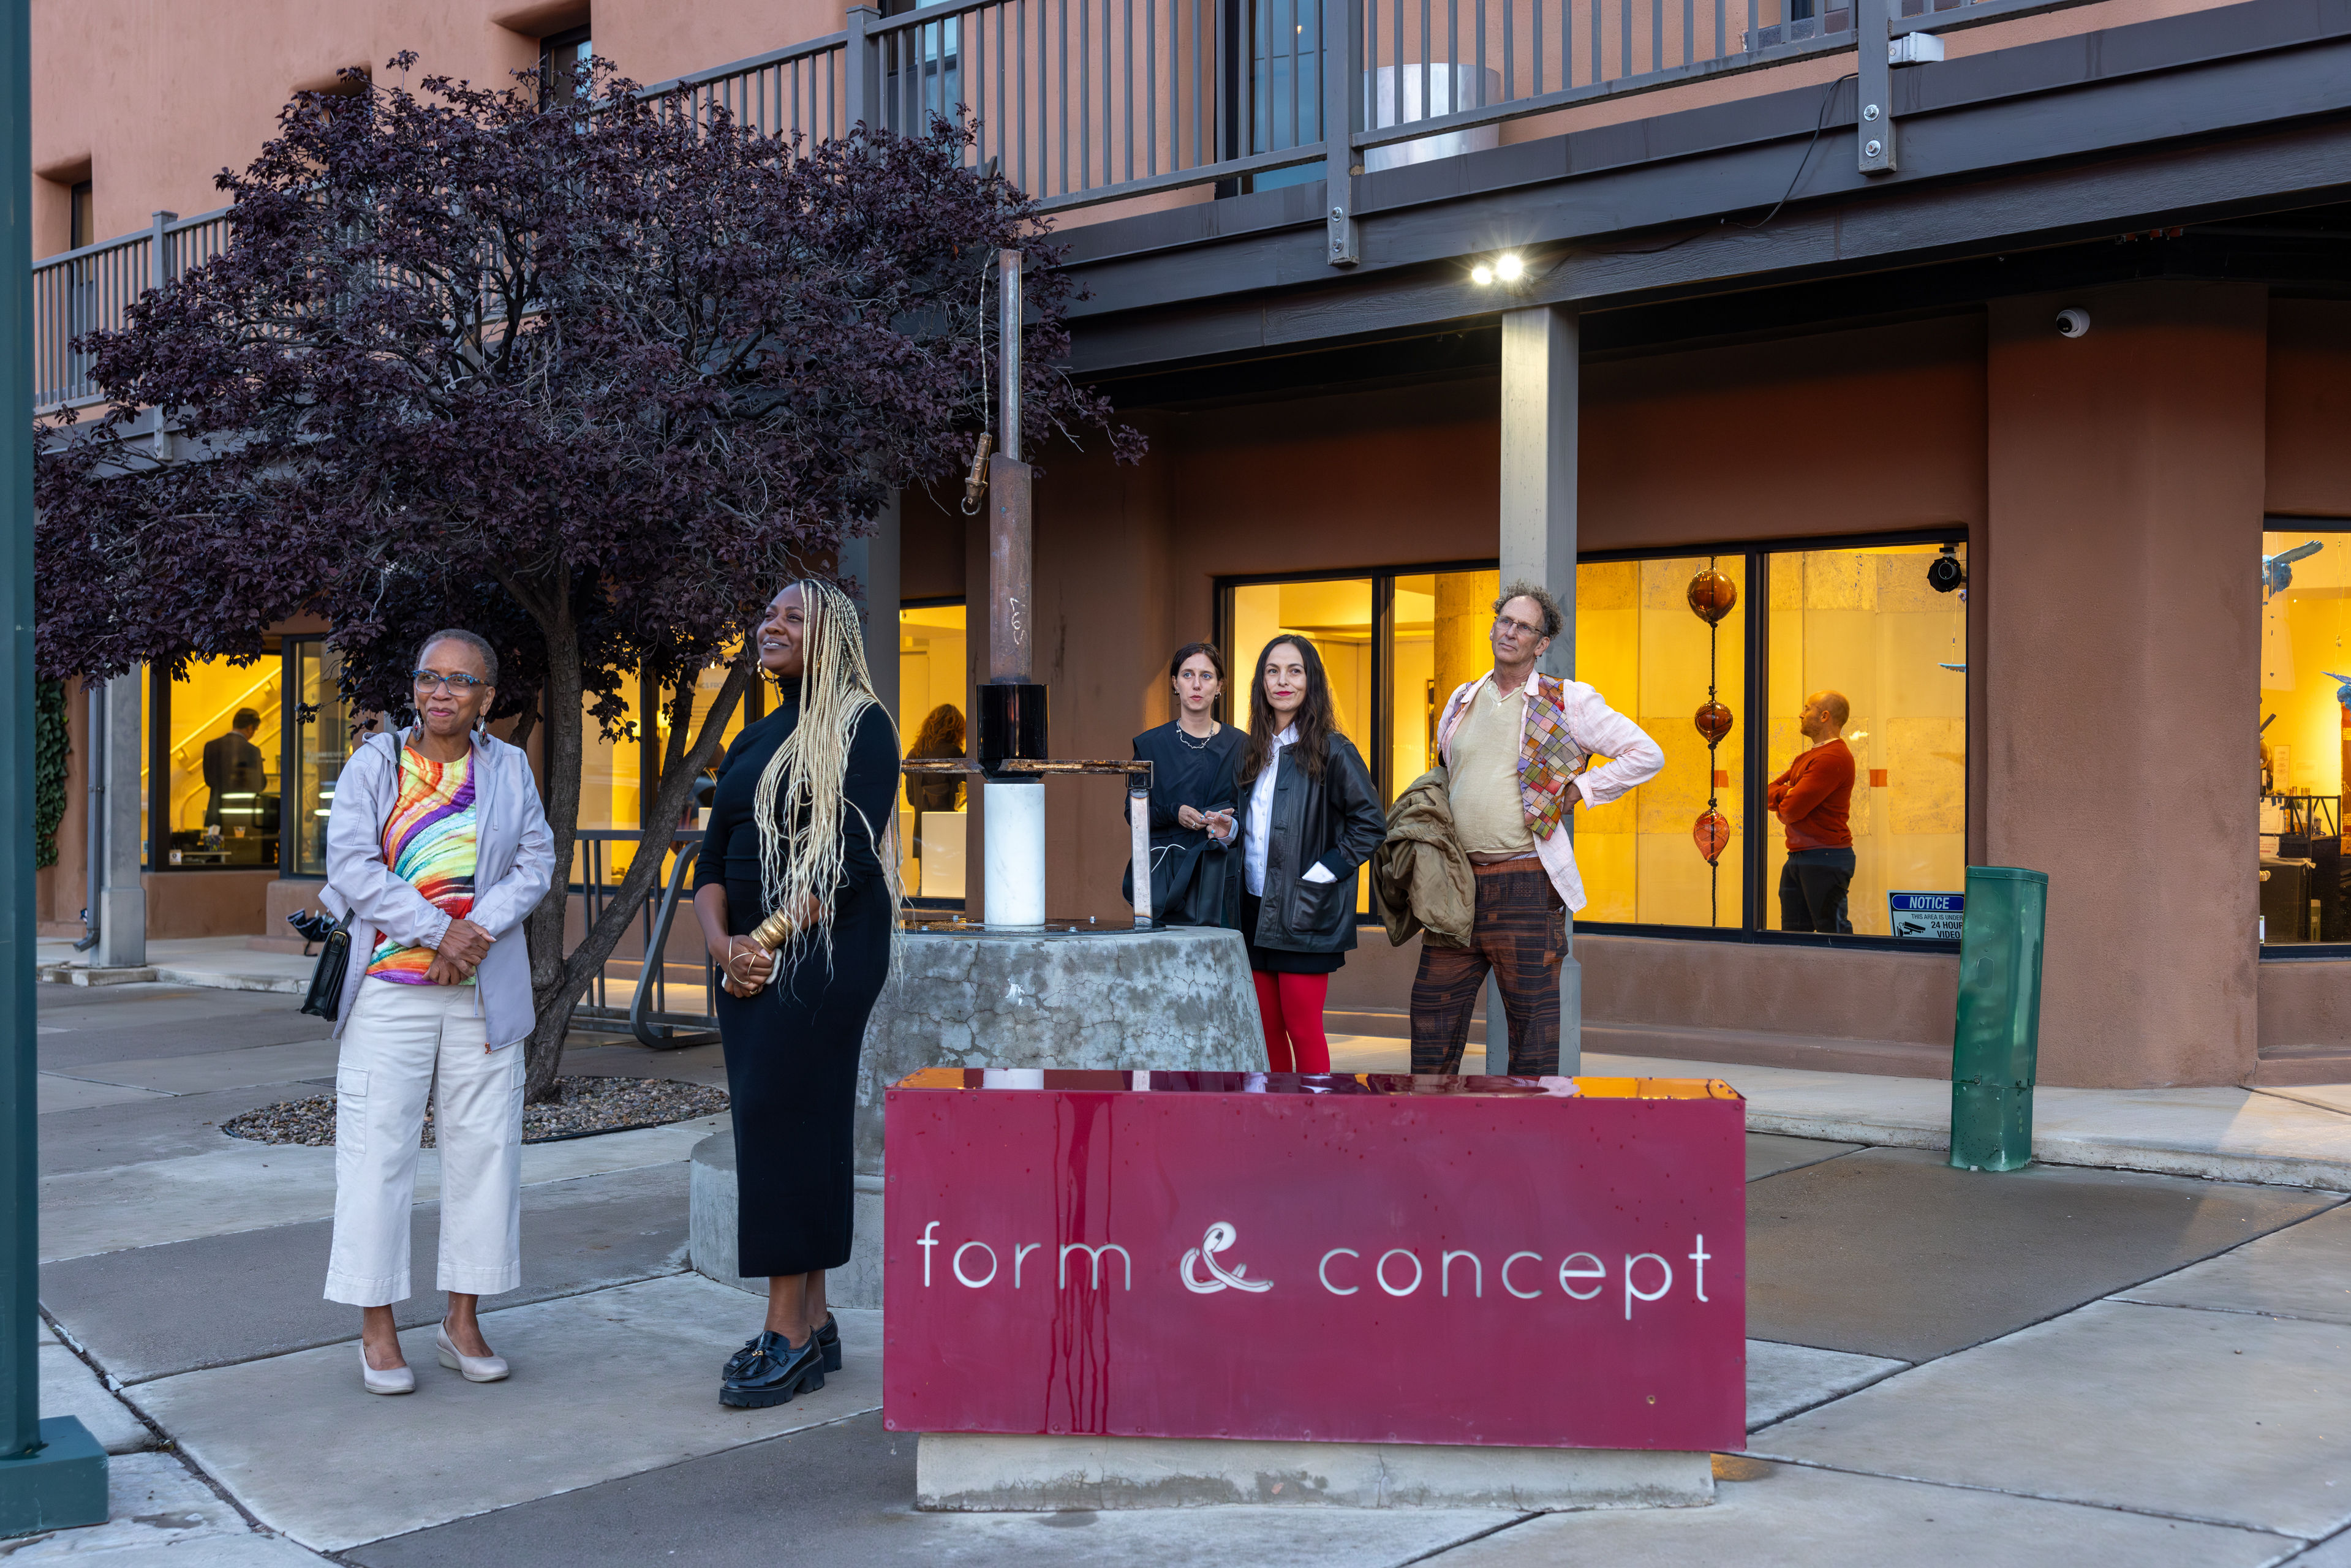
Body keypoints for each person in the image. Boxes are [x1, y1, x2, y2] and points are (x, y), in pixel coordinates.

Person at [320, 629, 555, 1395]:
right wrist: (437, 930)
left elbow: (536, 861)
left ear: (487, 698)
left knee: (486, 1154)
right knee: (375, 1153)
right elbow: (352, 864)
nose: (442, 692)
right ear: (414, 688)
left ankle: (462, 1320)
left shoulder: (510, 767)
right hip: (390, 992)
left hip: (480, 992)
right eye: (429, 678)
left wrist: (474, 933)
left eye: (461, 681)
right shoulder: (374, 763)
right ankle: (378, 1327)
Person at [693, 579, 901, 1408]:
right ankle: (811, 1322)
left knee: (785, 1114)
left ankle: (783, 1329)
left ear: (833, 637)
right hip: (745, 955)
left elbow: (843, 859)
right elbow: (709, 859)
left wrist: (764, 942)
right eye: (766, 613)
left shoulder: (861, 724)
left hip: (824, 946)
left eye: (791, 618)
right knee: (778, 1118)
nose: (769, 625)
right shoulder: (754, 734)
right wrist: (722, 948)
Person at [1407, 582, 1664, 1077]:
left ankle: (1527, 1141)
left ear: (1542, 644)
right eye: (1505, 620)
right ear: (1492, 626)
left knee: (1533, 1028)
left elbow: (1646, 754)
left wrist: (1581, 790)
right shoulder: (1462, 699)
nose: (1511, 631)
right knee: (1432, 1015)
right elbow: (1448, 772)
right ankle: (1430, 1135)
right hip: (1458, 884)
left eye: (1525, 627)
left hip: (1525, 882)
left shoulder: (1567, 699)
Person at [1204, 636, 1385, 1072]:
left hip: (1304, 911)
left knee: (1302, 1027)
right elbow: (1263, 826)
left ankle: (1316, 1125)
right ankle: (1279, 1121)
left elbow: (1371, 823)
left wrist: (1322, 874)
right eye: (1273, 671)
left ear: (1311, 681)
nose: (1282, 681)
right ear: (1261, 682)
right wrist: (1232, 831)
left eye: (1294, 670)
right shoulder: (1253, 752)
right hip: (1253, 908)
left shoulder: (1333, 750)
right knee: (1266, 1029)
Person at [1125, 642, 1246, 927]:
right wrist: (1173, 812)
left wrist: (1230, 827)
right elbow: (1133, 814)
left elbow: (1256, 814)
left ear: (1219, 686)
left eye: (1206, 676)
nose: (1197, 685)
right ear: (1175, 684)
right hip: (1166, 878)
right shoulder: (1150, 745)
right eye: (1188, 675)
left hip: (1221, 877)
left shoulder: (1243, 745)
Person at [1769, 689, 1856, 933]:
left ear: (1825, 716)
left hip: (1825, 856)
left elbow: (1790, 811)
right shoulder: (1806, 758)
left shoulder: (1832, 757)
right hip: (1801, 856)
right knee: (1794, 933)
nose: (1801, 714)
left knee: (1833, 934)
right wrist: (1788, 793)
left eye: (1807, 709)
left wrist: (1787, 796)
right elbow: (1767, 791)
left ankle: (1842, 974)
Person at [202, 707, 268, 828]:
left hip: (217, 810)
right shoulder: (253, 751)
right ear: (249, 728)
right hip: (243, 813)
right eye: (255, 730)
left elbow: (209, 780)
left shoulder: (211, 746)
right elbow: (258, 785)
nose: (253, 734)